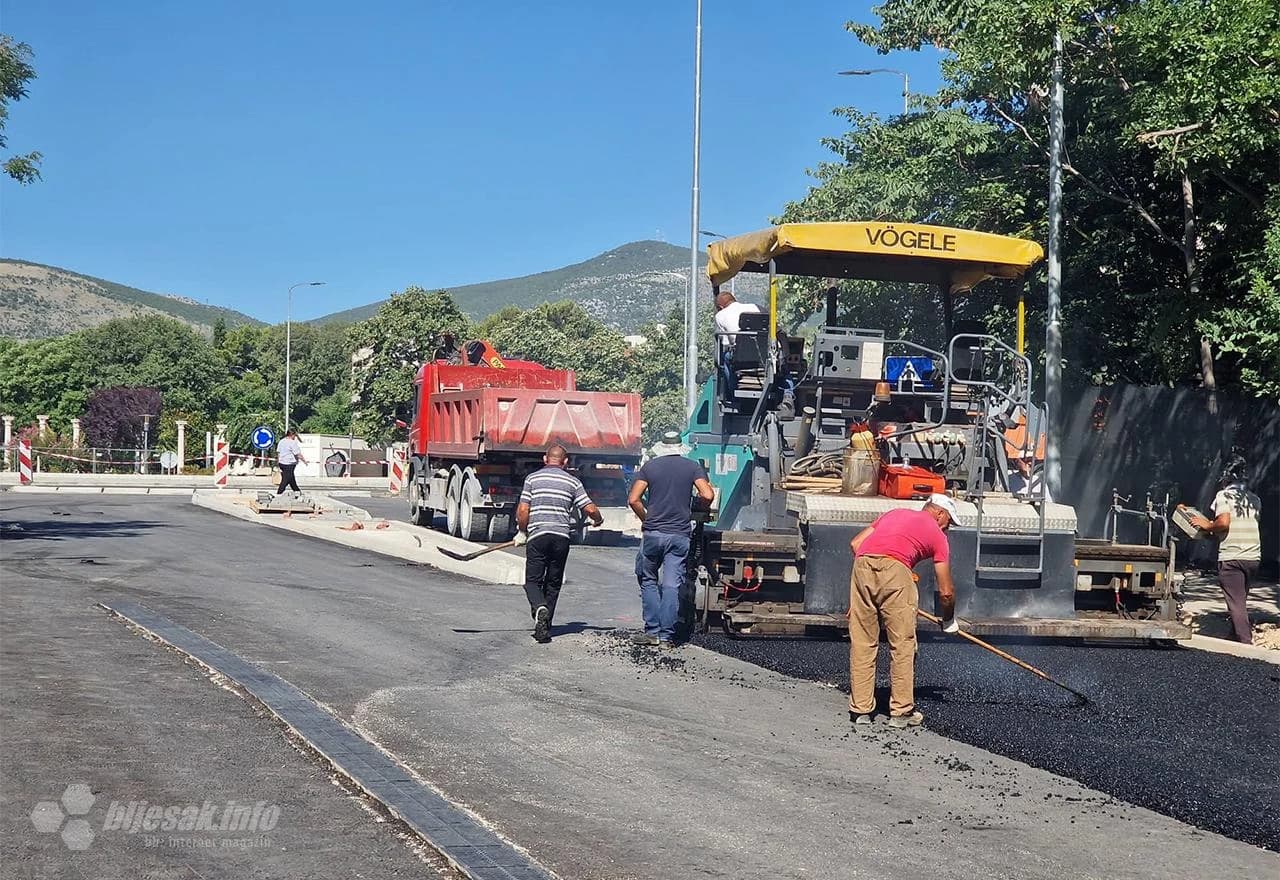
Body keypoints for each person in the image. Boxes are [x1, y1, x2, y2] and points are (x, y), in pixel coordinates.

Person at [847, 495, 959, 728]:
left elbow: (856, 544)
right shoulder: (938, 536)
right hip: (896, 570)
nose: (948, 528)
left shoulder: (894, 513)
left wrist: (868, 589)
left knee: (863, 642)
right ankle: (901, 712)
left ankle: (861, 710)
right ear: (939, 513)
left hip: (863, 565)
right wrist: (948, 619)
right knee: (903, 644)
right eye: (949, 521)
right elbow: (946, 591)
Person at [627, 432, 716, 649]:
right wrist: (699, 507)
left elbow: (633, 499)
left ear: (662, 447)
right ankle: (667, 637)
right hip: (679, 535)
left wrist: (646, 519)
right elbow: (707, 495)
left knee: (648, 580)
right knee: (670, 586)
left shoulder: (650, 467)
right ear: (680, 447)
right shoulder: (692, 466)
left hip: (653, 534)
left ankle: (652, 632)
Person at [515, 444, 603, 644]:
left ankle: (539, 608)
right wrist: (598, 519)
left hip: (537, 536)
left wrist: (522, 531)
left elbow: (523, 510)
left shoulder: (532, 479)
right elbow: (589, 508)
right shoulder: (573, 482)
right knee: (553, 583)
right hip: (561, 538)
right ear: (565, 462)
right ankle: (544, 628)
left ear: (545, 459)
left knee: (532, 581)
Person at [1182, 459, 1262, 644]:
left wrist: (1207, 524)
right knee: (1239, 600)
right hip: (1253, 557)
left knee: (1236, 603)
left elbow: (1223, 523)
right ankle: (1234, 635)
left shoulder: (1224, 496)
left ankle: (1245, 643)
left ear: (1225, 480)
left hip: (1232, 557)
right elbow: (1231, 529)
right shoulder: (1254, 500)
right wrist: (1211, 532)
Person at [276, 429, 306, 495]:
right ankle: (279, 493)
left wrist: (278, 462)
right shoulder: (292, 443)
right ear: (292, 435)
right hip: (289, 464)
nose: (295, 437)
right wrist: (304, 461)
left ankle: (297, 491)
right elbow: (298, 454)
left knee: (291, 479)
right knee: (286, 480)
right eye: (294, 436)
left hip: (282, 463)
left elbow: (278, 452)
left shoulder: (281, 441)